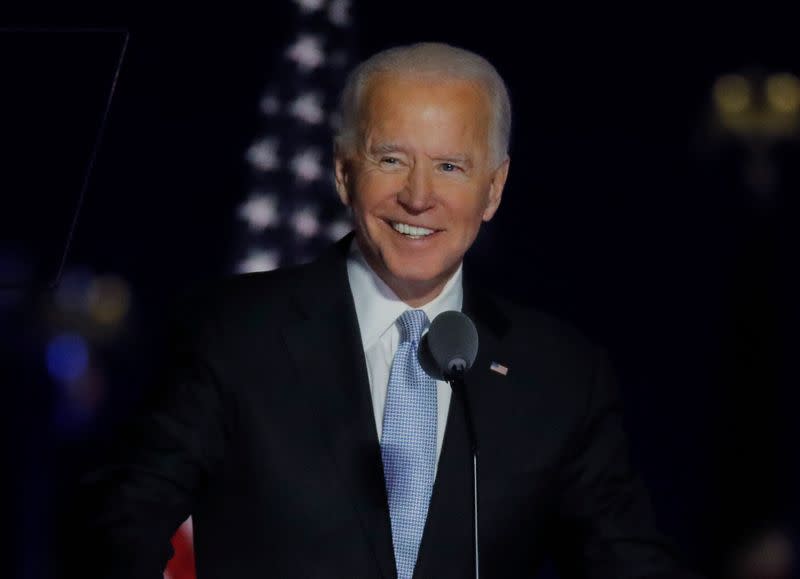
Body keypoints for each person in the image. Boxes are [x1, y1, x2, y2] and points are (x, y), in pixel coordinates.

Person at [81, 42, 697, 578]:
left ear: (495, 188)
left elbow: (628, 562)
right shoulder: (233, 333)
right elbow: (118, 525)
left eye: (451, 166)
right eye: (392, 160)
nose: (419, 196)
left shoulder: (558, 373)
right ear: (345, 173)